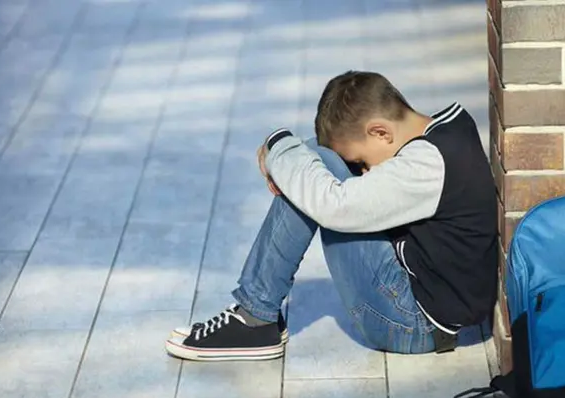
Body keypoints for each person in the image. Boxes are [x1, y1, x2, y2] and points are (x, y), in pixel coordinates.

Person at [165, 71, 498, 361]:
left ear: (381, 132)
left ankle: (255, 318)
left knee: (313, 170)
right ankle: (255, 315)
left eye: (360, 162)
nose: (364, 172)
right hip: (424, 306)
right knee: (310, 163)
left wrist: (277, 145)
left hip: (413, 324)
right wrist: (289, 160)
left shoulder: (426, 164)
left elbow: (333, 206)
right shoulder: (449, 128)